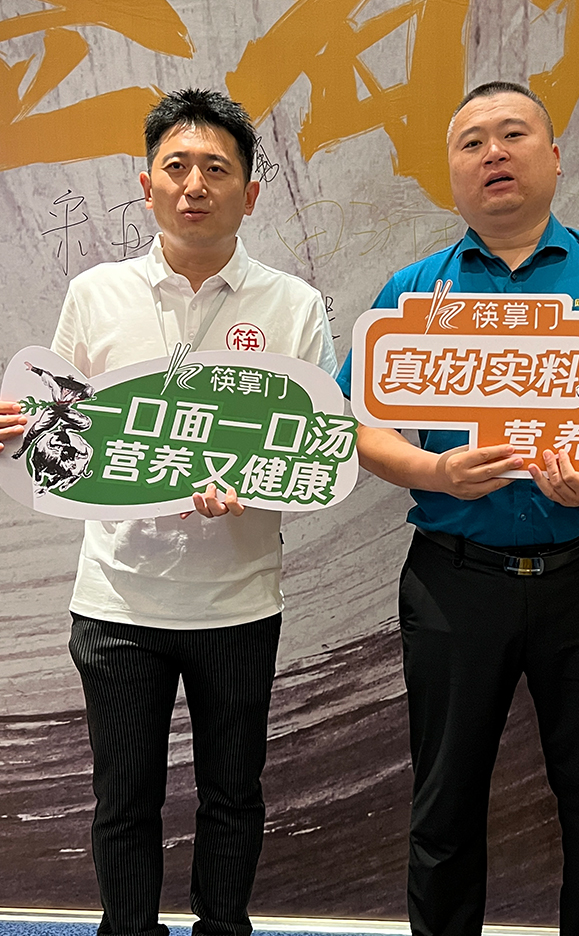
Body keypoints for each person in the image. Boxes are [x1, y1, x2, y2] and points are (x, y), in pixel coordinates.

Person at [337, 82, 579, 936]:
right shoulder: (416, 291)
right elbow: (352, 422)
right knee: (444, 803)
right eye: (471, 143)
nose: (493, 153)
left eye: (513, 134)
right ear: (451, 174)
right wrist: (434, 469)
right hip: (453, 582)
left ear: (555, 157)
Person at [2, 89, 336, 936]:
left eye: (216, 168)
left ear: (250, 193)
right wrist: (24, 429)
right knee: (123, 799)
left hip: (238, 601)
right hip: (117, 599)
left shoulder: (293, 305)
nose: (194, 185)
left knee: (234, 793)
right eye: (176, 166)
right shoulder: (96, 294)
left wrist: (257, 487)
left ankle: (223, 928)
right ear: (145, 184)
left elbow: (316, 450)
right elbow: (67, 434)